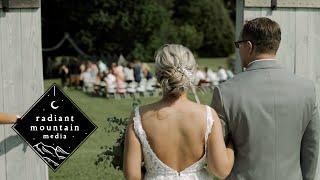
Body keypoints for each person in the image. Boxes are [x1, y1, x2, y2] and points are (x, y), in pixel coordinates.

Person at [211, 17, 320, 180]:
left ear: (248, 46)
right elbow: (311, 148)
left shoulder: (225, 92)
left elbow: (217, 152)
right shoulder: (307, 89)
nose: (238, 50)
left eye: (238, 45)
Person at [123, 44, 234, 179]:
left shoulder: (139, 117)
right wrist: (231, 144)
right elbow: (221, 171)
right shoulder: (208, 116)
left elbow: (132, 177)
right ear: (192, 74)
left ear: (158, 76)